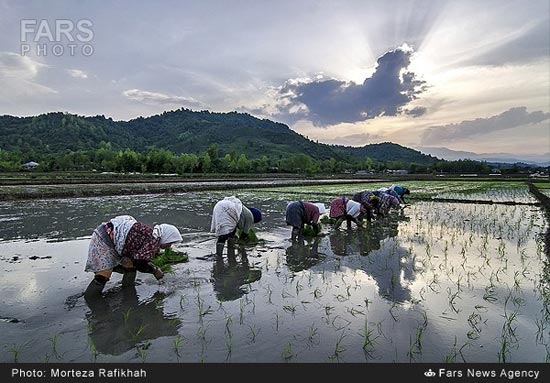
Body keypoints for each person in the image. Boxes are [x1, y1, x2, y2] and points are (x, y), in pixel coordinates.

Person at [84, 215, 183, 299]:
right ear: (165, 237)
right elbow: (139, 263)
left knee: (130, 266)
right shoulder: (152, 242)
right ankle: (90, 301)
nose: (169, 246)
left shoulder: (152, 236)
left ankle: (127, 293)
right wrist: (155, 270)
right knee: (103, 275)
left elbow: (136, 258)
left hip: (112, 236)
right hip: (104, 238)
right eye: (170, 242)